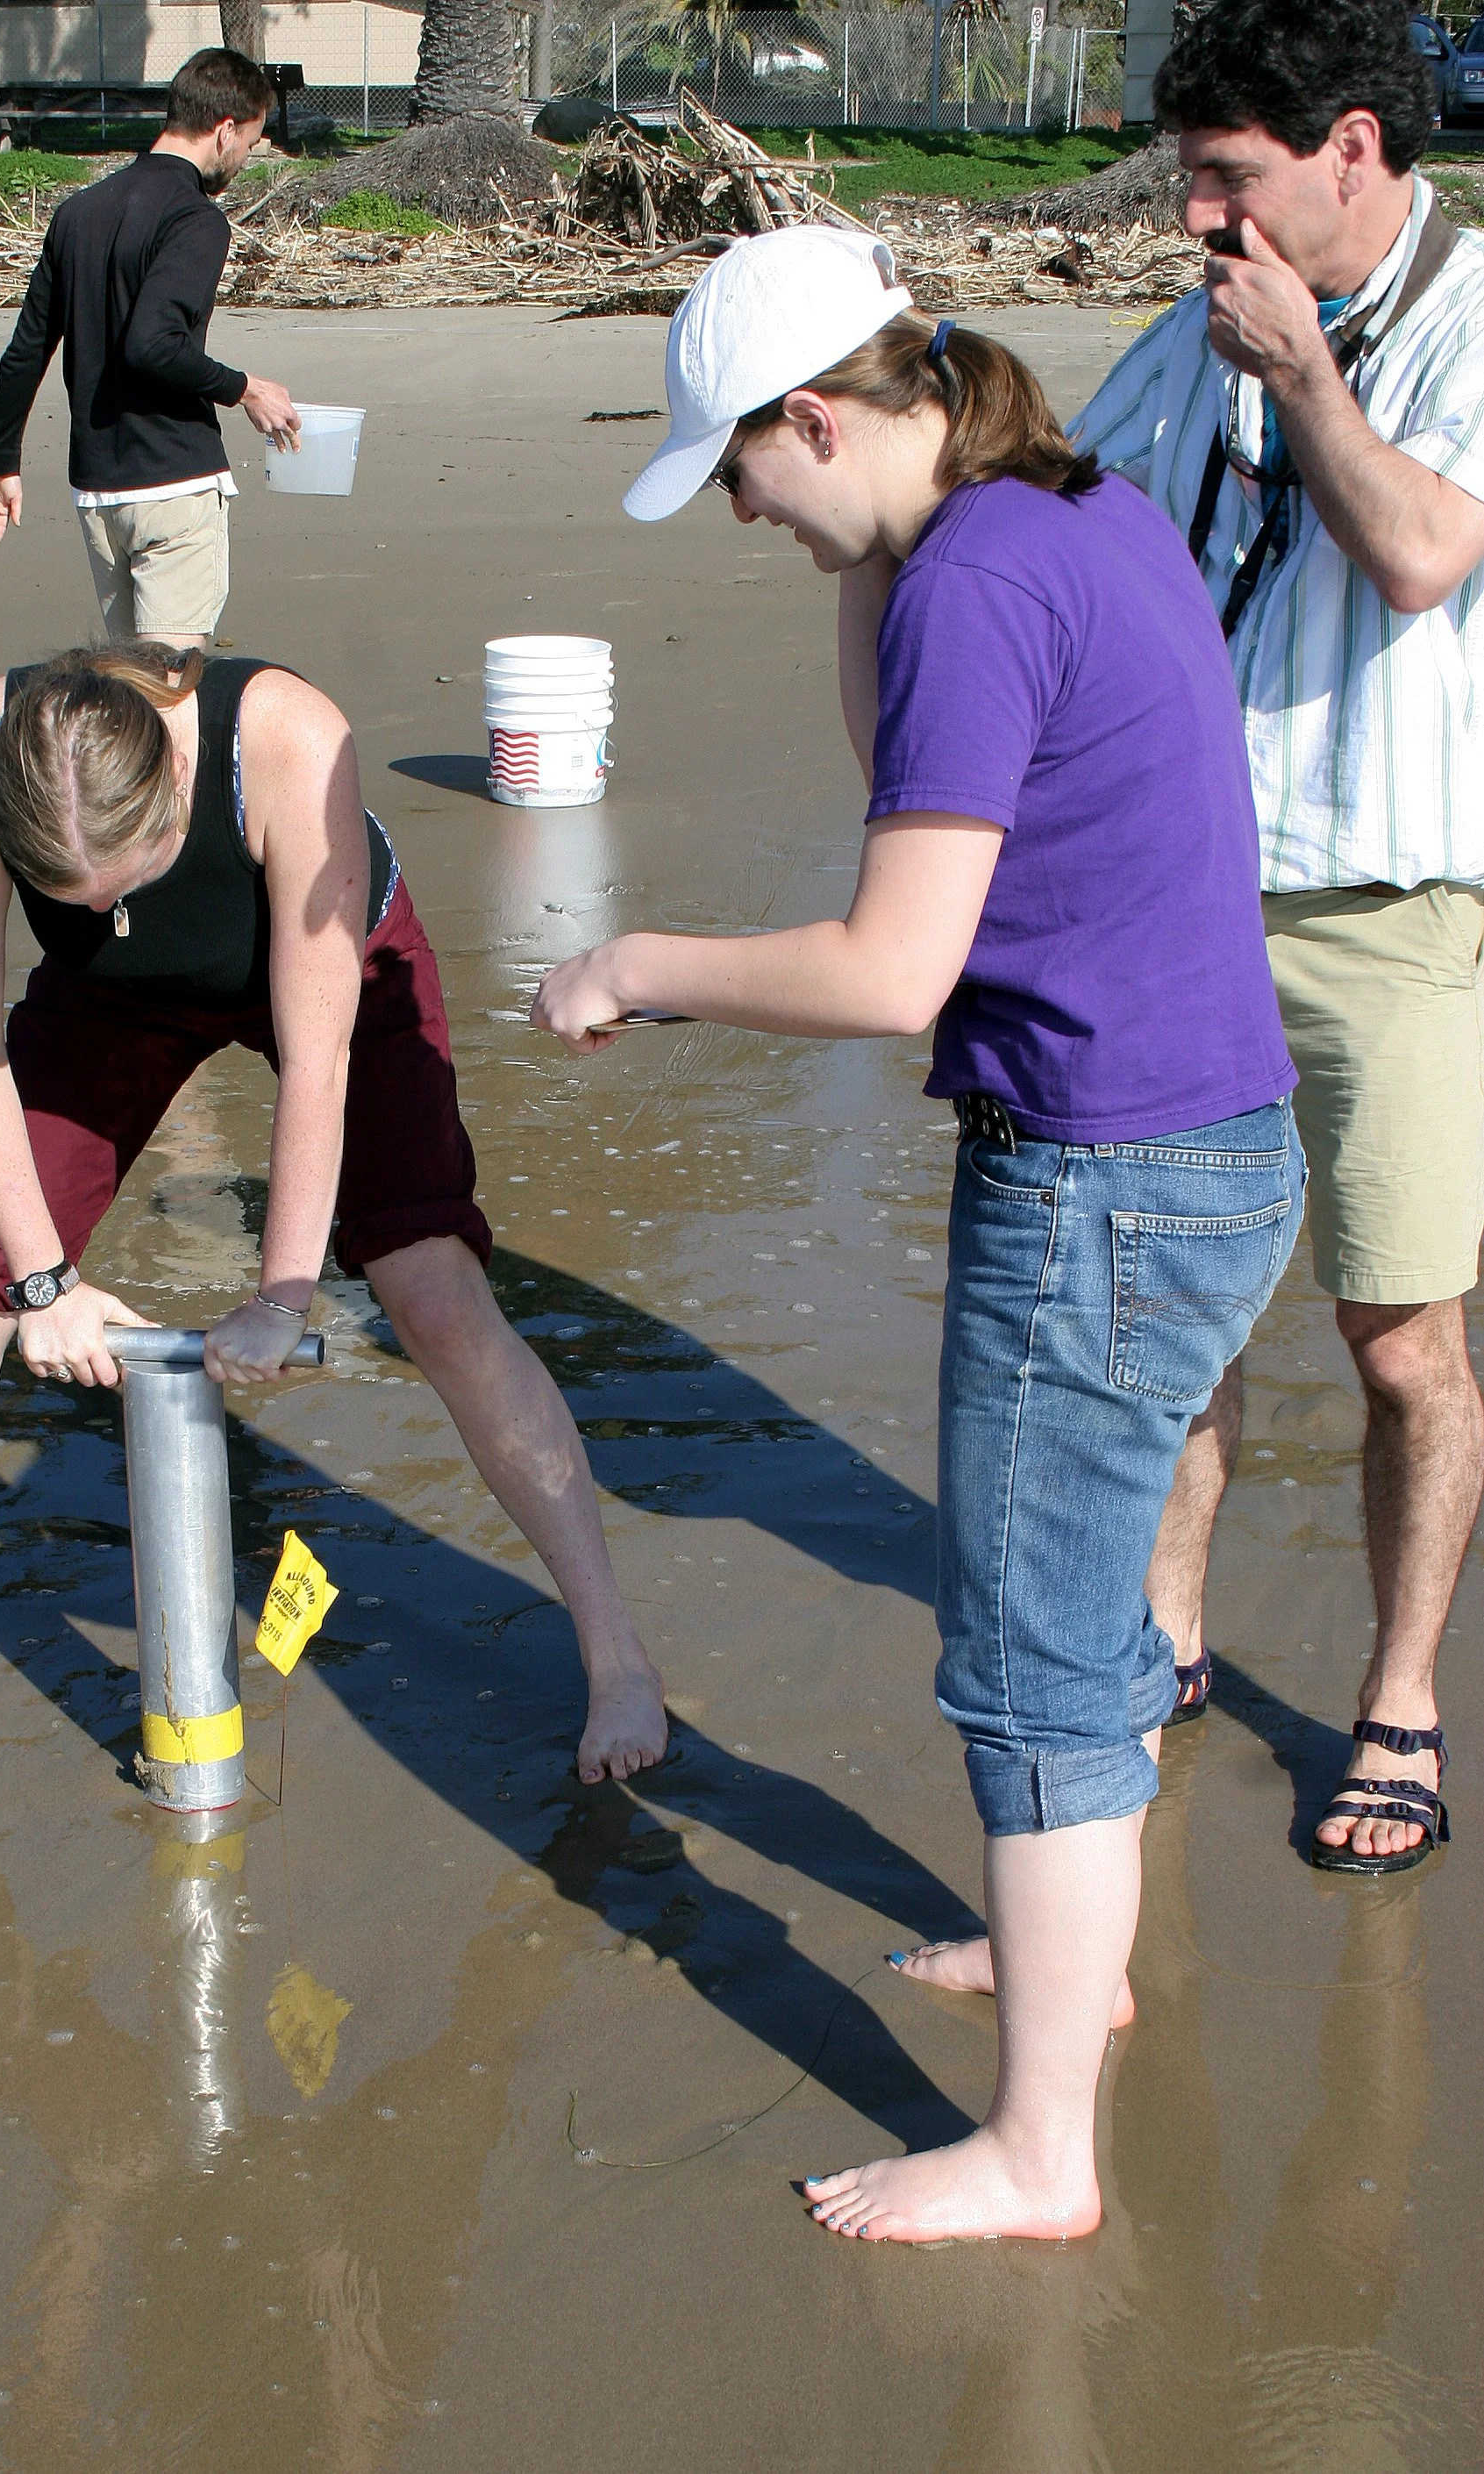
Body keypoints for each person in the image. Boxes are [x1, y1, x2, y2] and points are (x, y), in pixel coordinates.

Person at [532, 226, 1302, 2242]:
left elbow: (889, 966)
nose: (733, 509)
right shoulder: (1058, 507)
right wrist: (853, 554)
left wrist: (638, 961)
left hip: (1102, 1178)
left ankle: (1036, 2147)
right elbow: (914, 775)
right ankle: (1074, 1955)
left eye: (739, 469)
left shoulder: (966, 572)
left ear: (814, 415)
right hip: (1203, 1144)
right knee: (1078, 1630)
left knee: (1030, 1660)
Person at [0, 643, 667, 1790]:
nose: (111, 907)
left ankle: (612, 1647)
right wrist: (40, 1281)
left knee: (432, 1292)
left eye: (131, 879)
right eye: (73, 897)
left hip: (336, 972)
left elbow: (317, 1063)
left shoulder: (285, 740)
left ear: (176, 794)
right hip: (103, 1006)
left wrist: (286, 1291)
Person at [1062, 0, 1482, 1874]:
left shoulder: (1468, 322)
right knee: (1180, 1319)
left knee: (1398, 1336)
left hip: (1390, 901)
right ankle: (1160, 1638)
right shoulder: (1182, 341)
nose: (1195, 223)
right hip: (1178, 907)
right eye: (1187, 182)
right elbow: (1077, 542)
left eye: (1226, 180)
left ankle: (1396, 1702)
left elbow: (1412, 554)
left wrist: (1304, 377)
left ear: (1354, 146)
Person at [0, 47, 302, 651]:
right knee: (169, 689)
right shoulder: (196, 219)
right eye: (250, 143)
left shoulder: (78, 213)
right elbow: (153, 343)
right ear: (224, 131)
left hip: (98, 490)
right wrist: (245, 388)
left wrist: (0, 463)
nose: (246, 158)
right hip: (173, 480)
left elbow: (25, 352)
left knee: (129, 696)